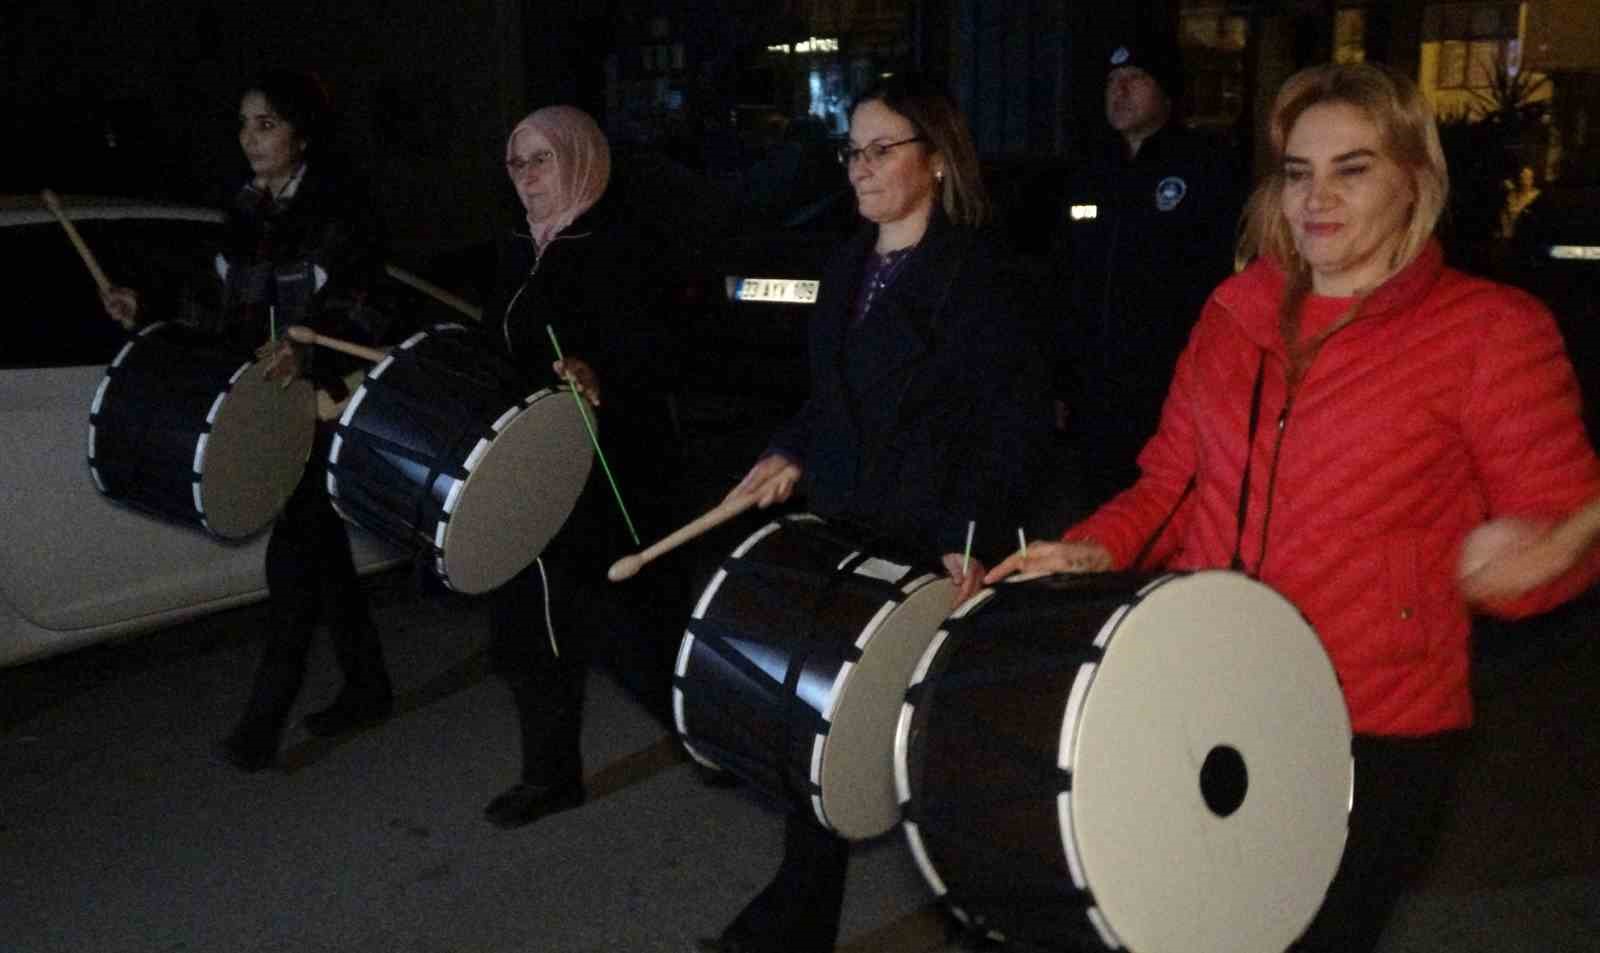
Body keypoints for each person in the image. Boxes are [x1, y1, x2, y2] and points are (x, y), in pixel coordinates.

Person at [989, 63, 1600, 953]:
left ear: (1415, 181)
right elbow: (1169, 485)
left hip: (1371, 723)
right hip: (1206, 690)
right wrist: (1090, 549)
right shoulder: (1232, 315)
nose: (1319, 197)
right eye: (1299, 171)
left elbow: (1565, 524)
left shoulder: (1490, 331)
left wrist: (1538, 559)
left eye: (1353, 169)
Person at [695, 74, 1053, 953]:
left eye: (880, 148)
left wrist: (968, 546)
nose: (859, 167)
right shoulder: (849, 262)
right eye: (852, 149)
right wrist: (789, 449)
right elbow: (829, 398)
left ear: (935, 161)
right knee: (819, 725)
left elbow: (1012, 426)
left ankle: (990, 917)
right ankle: (797, 918)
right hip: (848, 530)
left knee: (940, 749)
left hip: (938, 542)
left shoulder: (978, 274)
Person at [101, 68, 396, 772]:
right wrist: (142, 304)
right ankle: (368, 685)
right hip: (263, 407)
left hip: (320, 410)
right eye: (244, 124)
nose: (251, 137)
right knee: (321, 557)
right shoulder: (241, 212)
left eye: (266, 123)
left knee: (293, 563)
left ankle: (260, 728)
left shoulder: (340, 208)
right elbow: (215, 303)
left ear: (301, 133)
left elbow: (369, 305)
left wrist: (307, 348)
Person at [478, 105, 689, 830]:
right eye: (516, 163)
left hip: (611, 468)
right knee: (528, 626)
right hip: (531, 462)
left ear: (580, 159)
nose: (527, 177)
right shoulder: (516, 246)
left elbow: (662, 349)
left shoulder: (618, 243)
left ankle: (716, 736)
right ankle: (549, 775)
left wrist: (602, 372)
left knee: (632, 626)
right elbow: (498, 344)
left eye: (542, 160)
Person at [1054, 26, 1245, 506]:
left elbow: (1220, 282)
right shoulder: (1091, 173)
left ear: (1165, 90)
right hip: (1095, 393)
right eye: (1112, 79)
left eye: (1134, 78)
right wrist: (1062, 380)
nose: (1119, 90)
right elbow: (1066, 280)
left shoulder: (1203, 168)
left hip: (1166, 387)